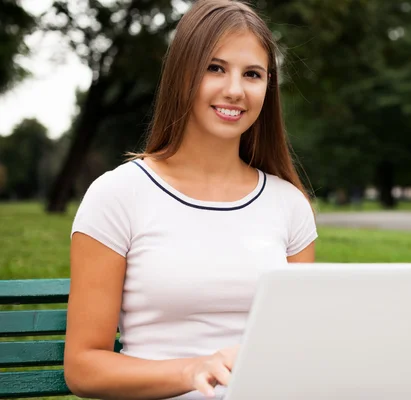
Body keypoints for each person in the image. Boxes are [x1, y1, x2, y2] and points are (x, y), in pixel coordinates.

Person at [63, 1, 318, 399]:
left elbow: (300, 347)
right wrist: (192, 371)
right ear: (182, 74)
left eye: (252, 74)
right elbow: (83, 366)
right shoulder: (118, 195)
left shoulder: (290, 205)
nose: (234, 90)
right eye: (215, 68)